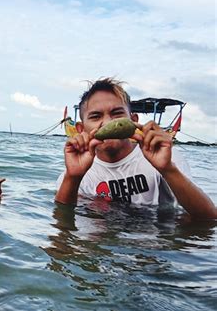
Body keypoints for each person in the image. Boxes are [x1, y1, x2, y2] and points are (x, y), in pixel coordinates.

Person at [55, 78, 216, 220]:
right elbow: (62, 227)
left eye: (117, 113)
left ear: (133, 120)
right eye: (96, 116)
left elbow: (209, 218)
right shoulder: (71, 176)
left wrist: (167, 169)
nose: (107, 122)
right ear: (81, 128)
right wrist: (73, 177)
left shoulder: (165, 156)